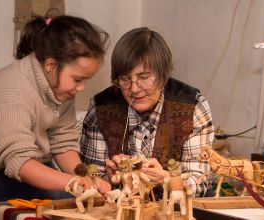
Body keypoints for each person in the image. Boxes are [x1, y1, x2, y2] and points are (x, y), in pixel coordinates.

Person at [0, 15, 111, 202]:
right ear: (51, 65)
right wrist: (76, 184)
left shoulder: (61, 87)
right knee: (67, 201)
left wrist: (85, 178)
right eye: (78, 79)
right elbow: (21, 164)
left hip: (28, 163)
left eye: (86, 80)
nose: (81, 87)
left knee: (84, 197)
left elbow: (62, 141)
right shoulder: (13, 92)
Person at [80, 27, 214, 197]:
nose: (134, 89)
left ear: (164, 74)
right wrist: (109, 179)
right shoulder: (101, 107)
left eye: (143, 78)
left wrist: (167, 179)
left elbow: (201, 183)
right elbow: (91, 180)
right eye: (125, 79)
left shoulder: (193, 106)